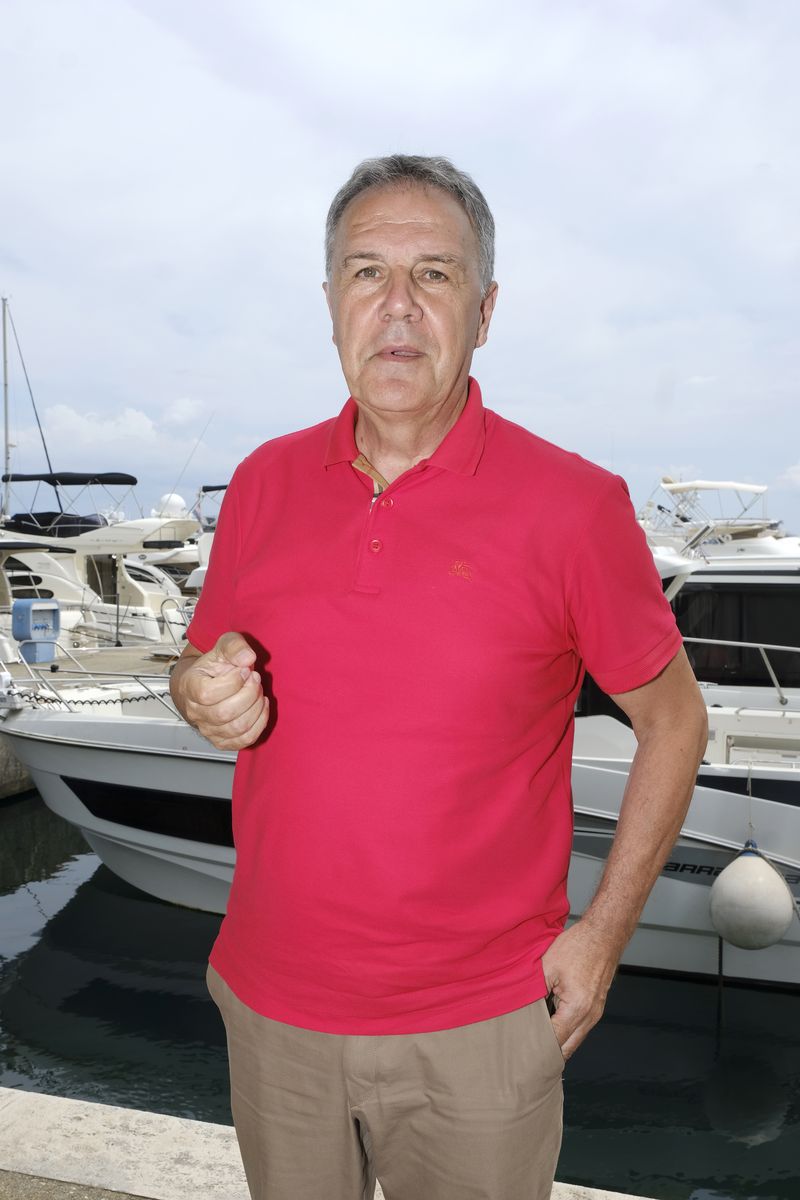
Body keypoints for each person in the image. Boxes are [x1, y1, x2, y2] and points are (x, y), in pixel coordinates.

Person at [170, 154, 708, 1200]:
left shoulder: (574, 505)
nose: (398, 307)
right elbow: (200, 666)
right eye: (367, 272)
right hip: (272, 1014)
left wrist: (600, 939)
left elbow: (675, 723)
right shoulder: (262, 482)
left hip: (481, 1033)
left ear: (485, 310)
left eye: (435, 274)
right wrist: (198, 691)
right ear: (330, 301)